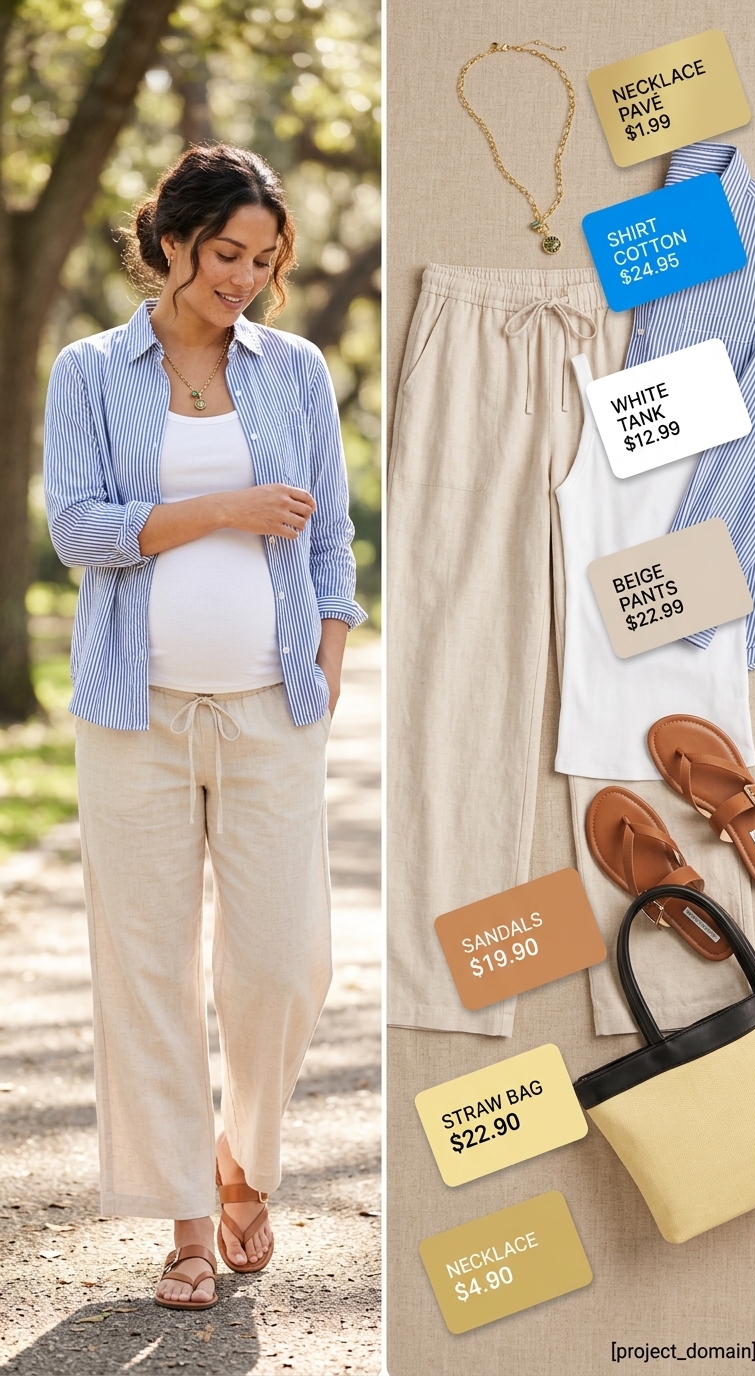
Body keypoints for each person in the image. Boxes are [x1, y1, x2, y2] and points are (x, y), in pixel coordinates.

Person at [43, 143, 365, 1310]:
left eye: (264, 259)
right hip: (134, 715)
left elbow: (330, 539)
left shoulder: (295, 371)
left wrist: (326, 666)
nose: (244, 277)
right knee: (149, 971)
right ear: (173, 240)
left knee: (284, 963)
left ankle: (244, 1158)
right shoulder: (91, 370)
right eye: (227, 252)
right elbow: (78, 528)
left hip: (272, 706)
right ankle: (187, 1221)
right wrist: (223, 507)